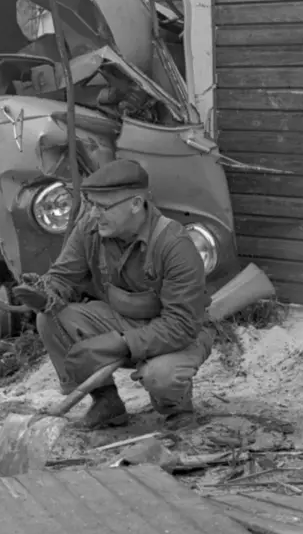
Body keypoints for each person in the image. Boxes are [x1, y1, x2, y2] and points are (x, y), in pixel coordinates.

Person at [12, 158, 214, 430]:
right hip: (123, 321)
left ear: (135, 204)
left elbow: (182, 325)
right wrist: (46, 292)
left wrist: (119, 343)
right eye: (91, 204)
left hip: (179, 334)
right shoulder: (90, 229)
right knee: (51, 319)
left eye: (103, 206)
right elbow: (64, 275)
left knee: (160, 376)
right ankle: (106, 403)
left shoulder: (174, 245)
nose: (94, 213)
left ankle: (177, 412)